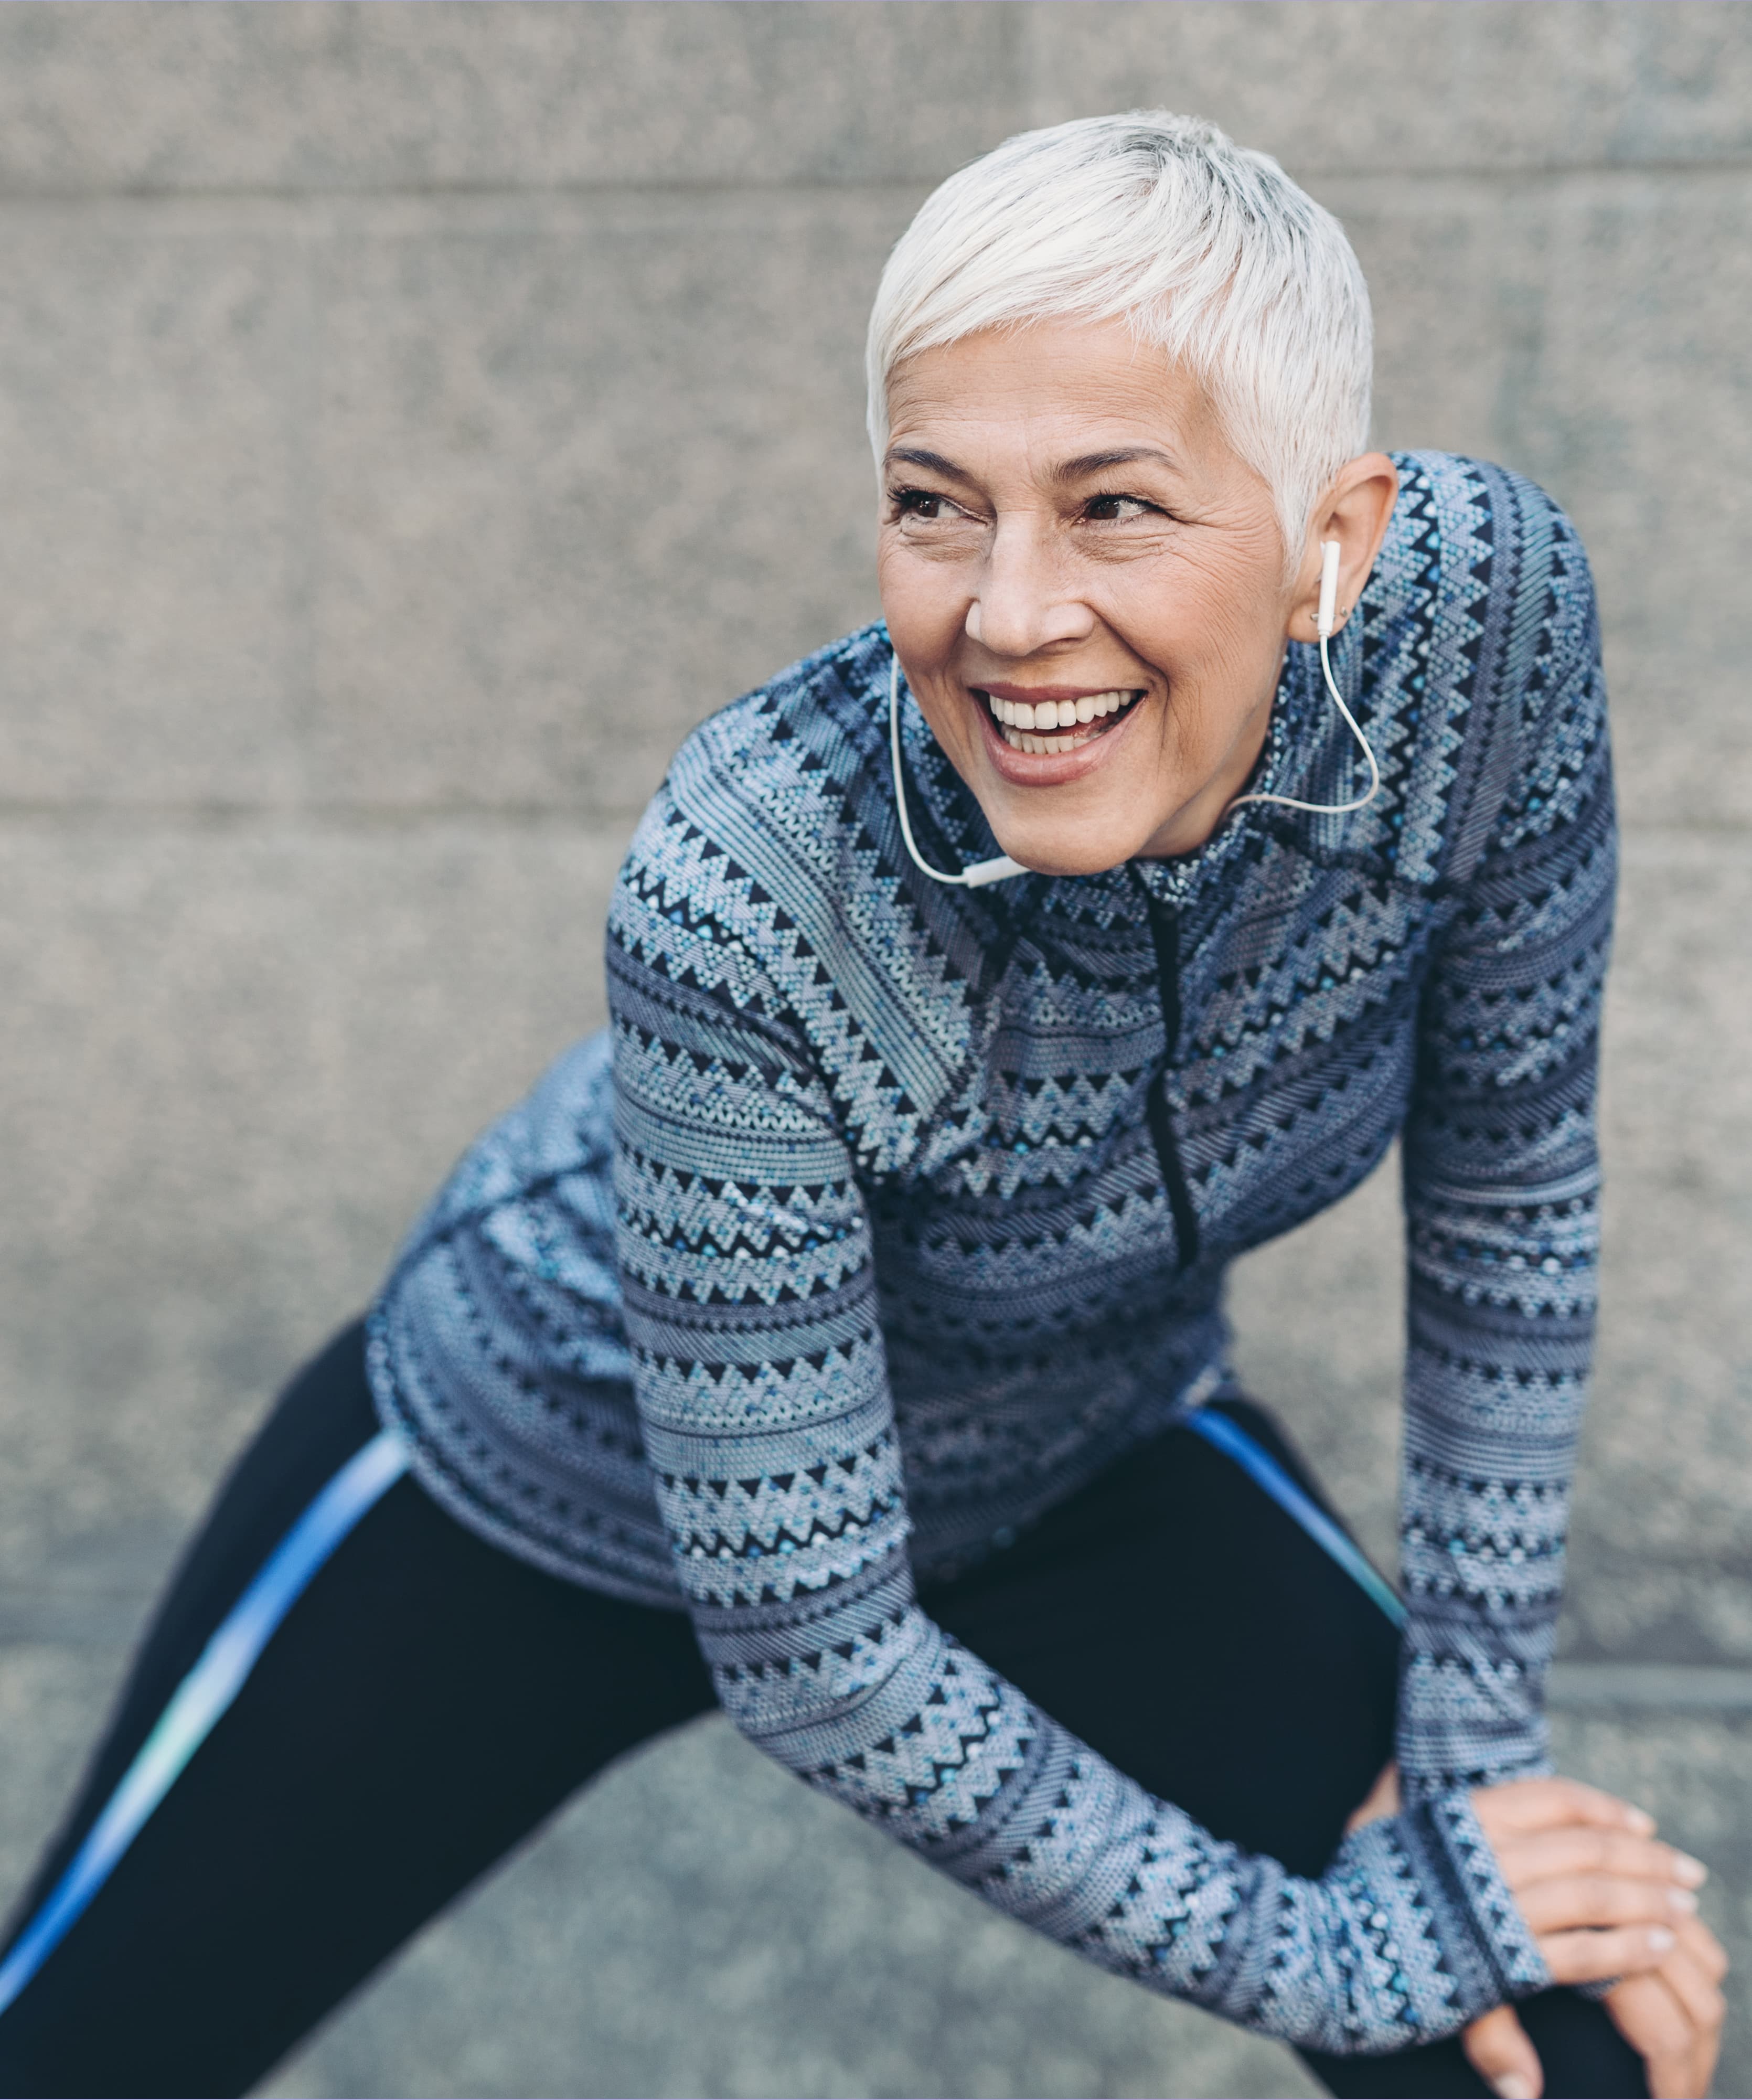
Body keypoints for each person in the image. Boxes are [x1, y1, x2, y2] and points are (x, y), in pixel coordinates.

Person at [0, 111, 1725, 2100]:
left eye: (1113, 508)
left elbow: (1508, 1189)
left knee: (1553, 2047)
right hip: (545, 1476)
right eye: (935, 505)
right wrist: (1333, 1948)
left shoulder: (1483, 629)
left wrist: (1474, 1809)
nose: (1007, 615)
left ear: (1331, 540)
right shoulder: (750, 878)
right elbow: (817, 1654)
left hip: (1081, 1457)